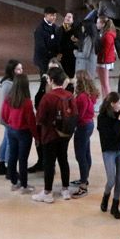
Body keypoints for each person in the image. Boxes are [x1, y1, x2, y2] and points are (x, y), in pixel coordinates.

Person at [33, 67, 75, 203]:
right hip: (65, 135)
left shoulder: (48, 97)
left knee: (49, 163)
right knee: (64, 160)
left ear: (51, 80)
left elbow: (39, 119)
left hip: (49, 135)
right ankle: (65, 189)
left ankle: (47, 192)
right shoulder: (69, 96)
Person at [1, 73, 35, 194]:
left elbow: (4, 116)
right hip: (24, 133)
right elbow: (31, 121)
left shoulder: (8, 99)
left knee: (12, 156)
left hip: (11, 130)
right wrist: (36, 136)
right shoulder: (27, 102)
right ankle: (24, 185)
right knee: (23, 159)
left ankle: (14, 182)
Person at [96, 92, 120, 218]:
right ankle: (106, 196)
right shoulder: (102, 118)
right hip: (109, 150)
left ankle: (115, 205)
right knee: (111, 179)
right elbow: (110, 136)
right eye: (119, 103)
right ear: (112, 104)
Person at [71, 71, 99, 197]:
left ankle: (83, 184)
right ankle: (84, 178)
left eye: (75, 78)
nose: (73, 80)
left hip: (82, 126)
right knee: (86, 152)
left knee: (80, 155)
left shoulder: (81, 97)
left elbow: (78, 115)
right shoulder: (89, 94)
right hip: (88, 125)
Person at [32, 7, 58, 74]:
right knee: (45, 80)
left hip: (52, 58)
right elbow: (40, 47)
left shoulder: (55, 27)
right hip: (43, 60)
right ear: (46, 15)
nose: (54, 17)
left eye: (55, 15)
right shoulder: (40, 29)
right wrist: (52, 55)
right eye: (52, 15)